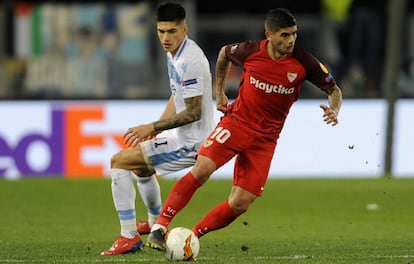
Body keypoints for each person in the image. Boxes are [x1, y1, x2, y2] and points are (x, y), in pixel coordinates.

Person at [146, 8, 343, 250]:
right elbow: (223, 54)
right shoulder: (250, 51)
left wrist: (334, 109)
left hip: (265, 141)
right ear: (268, 35)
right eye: (284, 35)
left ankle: (192, 236)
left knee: (240, 203)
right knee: (203, 168)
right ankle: (160, 227)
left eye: (294, 34)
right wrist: (220, 94)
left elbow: (334, 90)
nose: (290, 40)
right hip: (237, 123)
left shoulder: (304, 62)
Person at [100, 2, 214, 256]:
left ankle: (128, 236)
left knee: (119, 161)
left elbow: (194, 112)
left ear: (185, 29)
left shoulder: (190, 60)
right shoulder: (173, 52)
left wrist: (152, 126)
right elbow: (177, 96)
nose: (165, 37)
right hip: (182, 135)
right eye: (161, 31)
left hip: (193, 142)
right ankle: (153, 224)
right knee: (140, 166)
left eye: (171, 31)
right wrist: (158, 129)